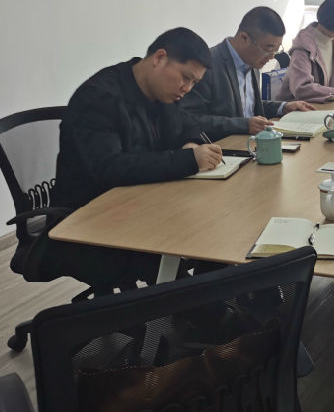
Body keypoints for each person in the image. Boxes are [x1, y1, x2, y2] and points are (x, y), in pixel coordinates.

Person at [48, 28, 224, 287]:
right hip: (92, 217)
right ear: (159, 58)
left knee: (216, 226)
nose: (187, 88)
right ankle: (202, 306)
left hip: (144, 203)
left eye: (194, 83)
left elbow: (187, 127)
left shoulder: (162, 94)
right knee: (180, 253)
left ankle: (219, 298)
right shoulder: (99, 97)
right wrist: (188, 159)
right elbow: (112, 168)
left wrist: (190, 143)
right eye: (185, 78)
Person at [180, 6, 315, 140]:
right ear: (244, 38)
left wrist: (283, 107)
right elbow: (190, 120)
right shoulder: (208, 65)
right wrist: (243, 125)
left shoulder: (252, 62)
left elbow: (248, 108)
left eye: (276, 50)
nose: (272, 57)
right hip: (223, 147)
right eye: (268, 49)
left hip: (253, 143)